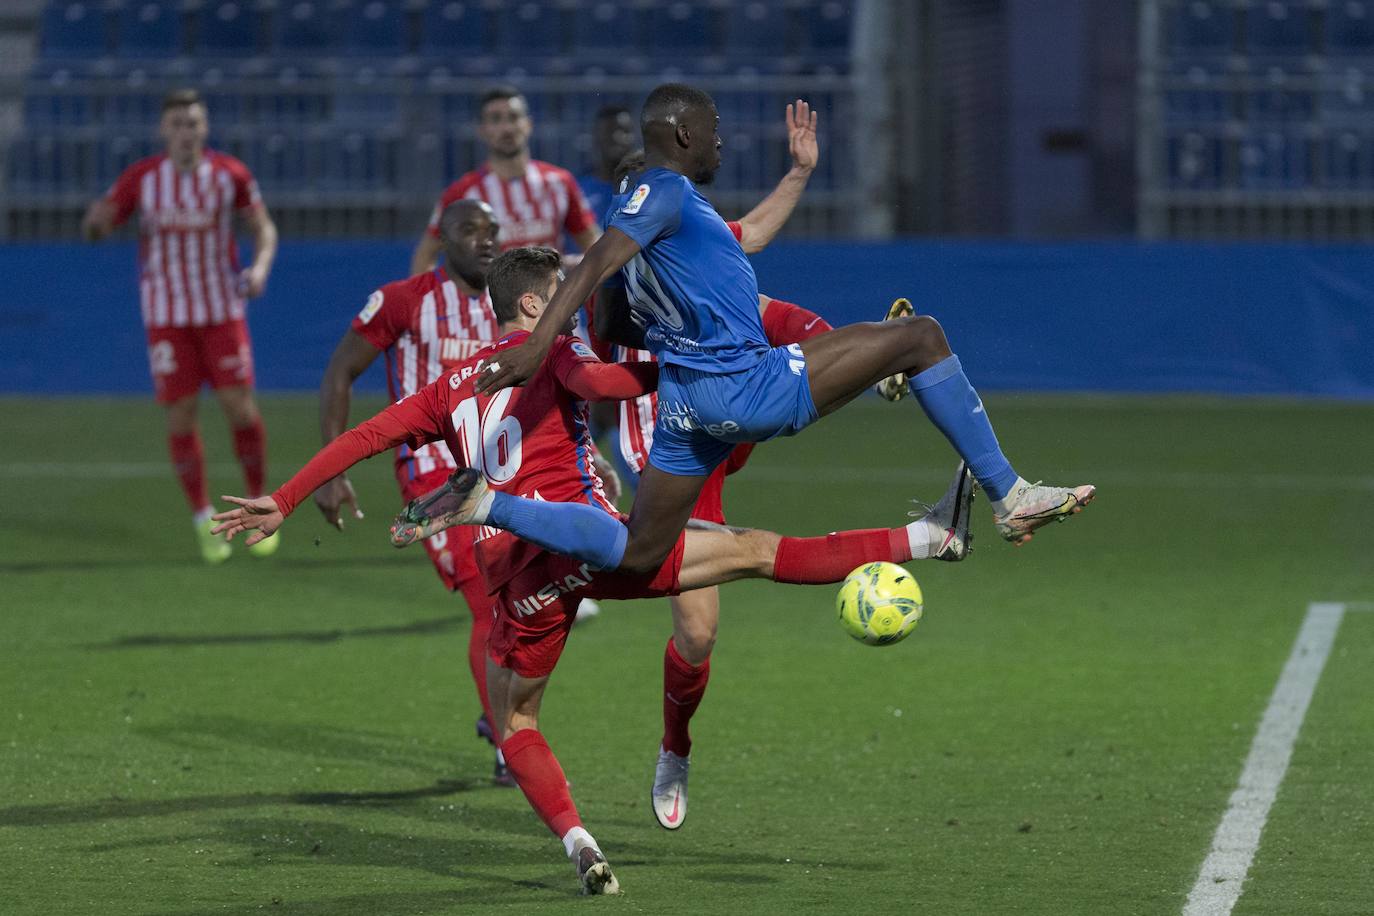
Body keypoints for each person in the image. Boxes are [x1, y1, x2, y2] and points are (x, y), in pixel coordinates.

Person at [211, 246, 973, 895]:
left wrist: (283, 498)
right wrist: (698, 373)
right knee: (755, 552)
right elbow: (604, 386)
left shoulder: (450, 387)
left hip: (525, 583)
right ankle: (930, 538)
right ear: (539, 304)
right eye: (565, 302)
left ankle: (580, 844)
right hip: (595, 546)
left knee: (516, 724)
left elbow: (367, 437)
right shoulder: (557, 354)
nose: (576, 313)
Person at [460, 83, 1095, 585]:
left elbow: (612, 314)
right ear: (683, 134)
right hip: (745, 388)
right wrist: (538, 348)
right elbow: (596, 263)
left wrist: (796, 174)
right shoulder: (666, 192)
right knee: (921, 335)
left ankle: (490, 508)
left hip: (687, 409)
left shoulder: (663, 221)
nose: (721, 144)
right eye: (713, 132)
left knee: (636, 553)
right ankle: (1009, 495)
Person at [589, 101, 888, 831]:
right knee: (697, 634)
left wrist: (799, 172)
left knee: (770, 324)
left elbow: (754, 252)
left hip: (717, 424)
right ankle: (675, 746)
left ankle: (884, 373)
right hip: (675, 455)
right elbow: (588, 374)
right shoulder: (605, 288)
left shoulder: (696, 251)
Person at [314, 198, 521, 785]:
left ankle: (499, 715)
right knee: (487, 597)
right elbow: (339, 374)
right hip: (433, 474)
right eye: (469, 230)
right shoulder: (404, 301)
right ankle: (511, 746)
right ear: (442, 238)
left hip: (505, 470)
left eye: (492, 230)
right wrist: (332, 471)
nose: (485, 240)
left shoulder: (514, 301)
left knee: (518, 603)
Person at [81, 87, 279, 564]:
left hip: (221, 310)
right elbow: (100, 223)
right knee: (181, 415)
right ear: (163, 130)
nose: (186, 132)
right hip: (167, 317)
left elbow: (263, 228)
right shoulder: (143, 179)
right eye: (178, 124)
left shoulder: (229, 174)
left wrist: (260, 268)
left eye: (193, 123)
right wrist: (95, 224)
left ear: (205, 128)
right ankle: (201, 518)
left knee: (240, 409)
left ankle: (259, 503)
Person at [410, 85, 600, 276]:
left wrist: (580, 273)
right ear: (482, 130)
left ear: (528, 125)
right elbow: (426, 254)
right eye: (495, 119)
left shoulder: (559, 182)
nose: (507, 128)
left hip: (554, 301)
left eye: (514, 117)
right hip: (489, 304)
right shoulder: (462, 194)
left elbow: (593, 243)